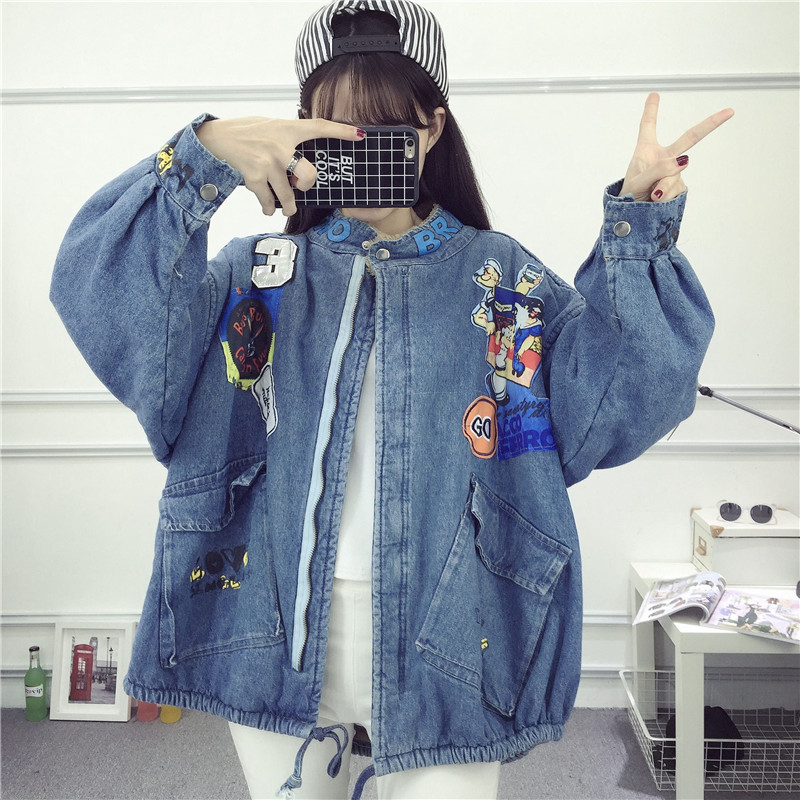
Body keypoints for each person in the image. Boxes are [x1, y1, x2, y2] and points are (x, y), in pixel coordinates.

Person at [49, 1, 733, 797]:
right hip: (262, 629)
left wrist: (639, 226)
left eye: (382, 129)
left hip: (455, 639)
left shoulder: (501, 278)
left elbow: (612, 405)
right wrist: (203, 155)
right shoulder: (255, 274)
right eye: (331, 130)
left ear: (432, 127)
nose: (356, 150)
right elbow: (107, 304)